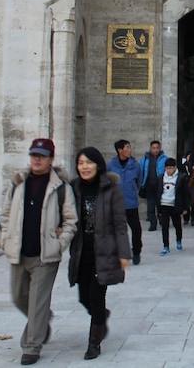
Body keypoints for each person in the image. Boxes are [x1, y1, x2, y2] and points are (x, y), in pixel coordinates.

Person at [0, 138, 78, 365]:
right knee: (17, 297)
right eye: (34, 155)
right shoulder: (18, 183)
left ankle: (31, 346)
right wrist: (6, 238)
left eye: (41, 156)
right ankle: (41, 319)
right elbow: (5, 215)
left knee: (37, 302)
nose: (36, 159)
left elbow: (71, 221)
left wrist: (59, 243)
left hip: (45, 256)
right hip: (19, 252)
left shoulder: (62, 188)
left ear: (50, 159)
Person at [67, 147, 131, 360]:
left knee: (96, 295)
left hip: (104, 252)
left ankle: (94, 342)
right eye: (81, 163)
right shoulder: (73, 188)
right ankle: (102, 317)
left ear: (98, 164)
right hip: (81, 251)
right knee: (83, 297)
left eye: (89, 162)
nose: (85, 167)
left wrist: (124, 253)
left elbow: (120, 224)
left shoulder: (110, 189)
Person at [107, 139, 143, 265]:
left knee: (136, 229)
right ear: (120, 150)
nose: (129, 150)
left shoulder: (135, 165)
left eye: (130, 147)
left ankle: (137, 251)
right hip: (115, 203)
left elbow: (139, 181)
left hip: (130, 202)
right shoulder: (111, 165)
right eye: (127, 148)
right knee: (116, 229)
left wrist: (132, 191)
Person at [155, 157, 190, 255]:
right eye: (167, 168)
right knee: (164, 227)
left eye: (171, 168)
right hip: (164, 204)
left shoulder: (181, 177)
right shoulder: (161, 177)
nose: (169, 170)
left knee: (177, 225)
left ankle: (179, 241)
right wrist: (158, 207)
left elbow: (185, 193)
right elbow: (158, 192)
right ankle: (166, 246)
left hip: (175, 205)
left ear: (175, 167)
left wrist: (185, 207)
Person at [140, 140, 167, 232]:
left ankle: (162, 220)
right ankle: (153, 223)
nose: (155, 150)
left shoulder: (164, 159)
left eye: (157, 148)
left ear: (160, 148)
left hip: (160, 185)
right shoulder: (145, 158)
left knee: (160, 205)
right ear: (150, 148)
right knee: (150, 206)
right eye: (153, 148)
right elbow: (141, 171)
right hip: (149, 185)